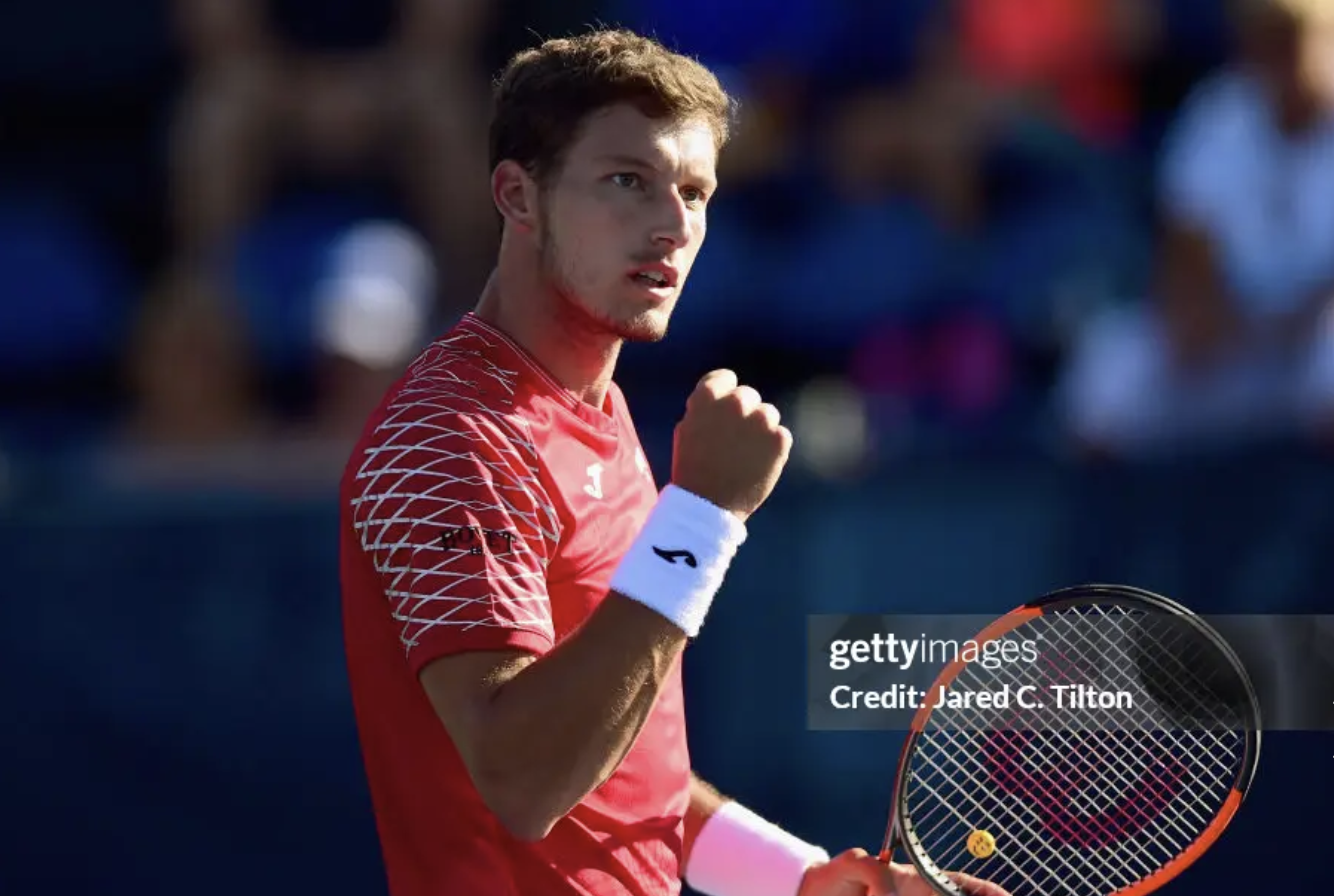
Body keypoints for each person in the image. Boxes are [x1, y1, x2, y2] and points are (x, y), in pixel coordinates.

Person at [339, 27, 1009, 896]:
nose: (672, 225)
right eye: (629, 182)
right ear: (518, 195)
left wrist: (803, 879)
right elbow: (523, 779)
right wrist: (701, 516)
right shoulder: (448, 434)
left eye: (695, 193)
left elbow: (622, 773)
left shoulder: (600, 411)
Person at [1057, 0, 1334, 458]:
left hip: (1310, 345)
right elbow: (1185, 247)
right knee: (1110, 367)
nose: (1285, 55)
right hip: (1236, 346)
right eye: (1269, 39)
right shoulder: (1222, 113)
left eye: (1299, 37)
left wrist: (1305, 317)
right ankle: (1117, 523)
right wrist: (1198, 311)